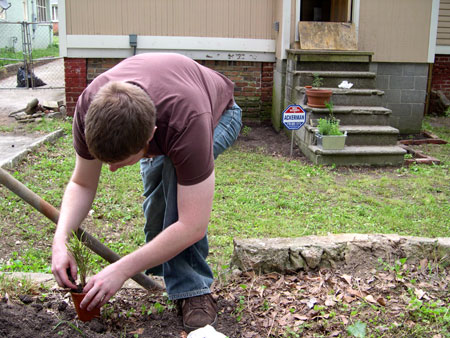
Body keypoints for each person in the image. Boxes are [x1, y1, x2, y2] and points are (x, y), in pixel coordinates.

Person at [51, 53, 242, 331]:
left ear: (151, 136)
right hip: (165, 107)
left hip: (218, 113)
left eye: (122, 161)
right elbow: (82, 183)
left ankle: (193, 290)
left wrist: (122, 269)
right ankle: (164, 263)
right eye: (106, 162)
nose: (112, 170)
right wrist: (60, 241)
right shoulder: (88, 108)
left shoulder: (187, 121)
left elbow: (192, 225)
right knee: (158, 207)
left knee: (173, 177)